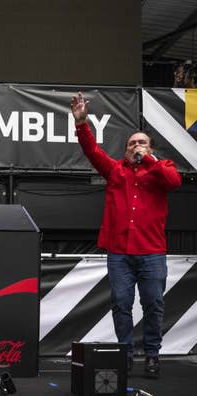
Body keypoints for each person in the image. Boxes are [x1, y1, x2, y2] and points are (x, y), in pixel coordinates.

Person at [70, 91, 181, 378]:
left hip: (152, 251)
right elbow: (92, 151)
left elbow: (174, 181)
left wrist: (151, 162)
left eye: (141, 143)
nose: (136, 147)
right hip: (119, 252)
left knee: (153, 304)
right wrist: (82, 123)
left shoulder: (162, 169)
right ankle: (126, 355)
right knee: (121, 304)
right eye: (132, 144)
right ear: (126, 150)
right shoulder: (116, 171)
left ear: (151, 148)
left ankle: (153, 355)